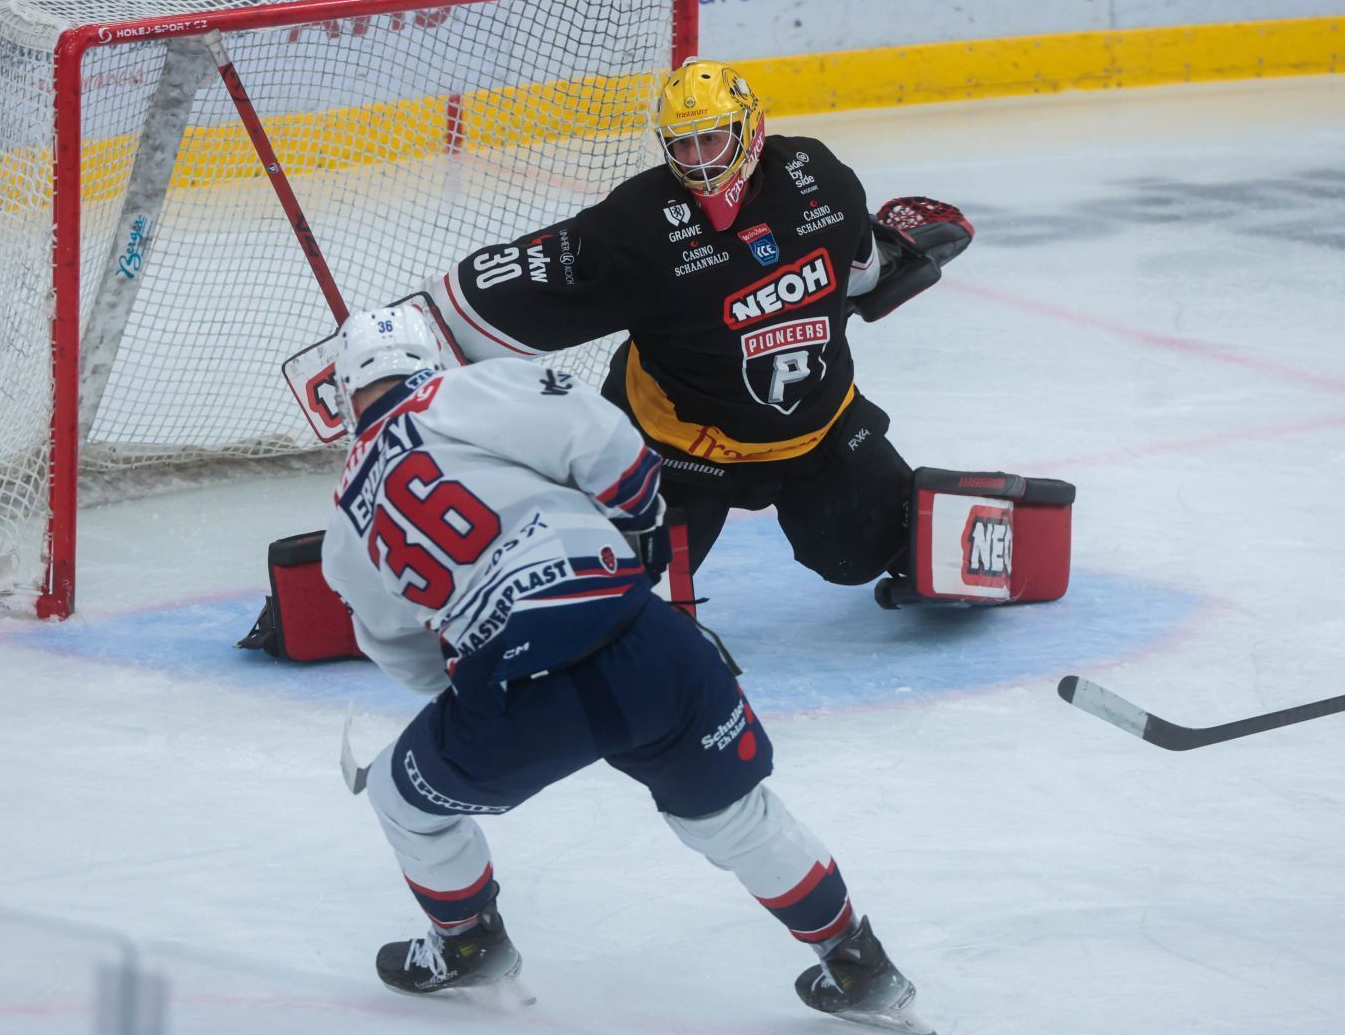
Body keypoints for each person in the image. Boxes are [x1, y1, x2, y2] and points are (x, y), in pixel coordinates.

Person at [321, 305, 928, 1029]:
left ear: (342, 389)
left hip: (519, 688)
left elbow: (404, 654)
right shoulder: (471, 389)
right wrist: (639, 527)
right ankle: (859, 964)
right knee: (733, 817)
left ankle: (467, 941)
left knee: (401, 797)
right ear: (428, 360)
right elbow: (604, 438)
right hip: (643, 637)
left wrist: (479, 690)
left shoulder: (342, 528)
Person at [424, 60, 973, 610]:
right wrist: (399, 339)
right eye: (681, 146)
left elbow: (861, 274)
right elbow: (485, 293)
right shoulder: (635, 225)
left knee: (860, 553)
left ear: (749, 130)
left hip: (819, 433)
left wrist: (898, 247)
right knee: (599, 599)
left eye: (709, 140)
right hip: (676, 450)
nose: (697, 161)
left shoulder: (820, 178)